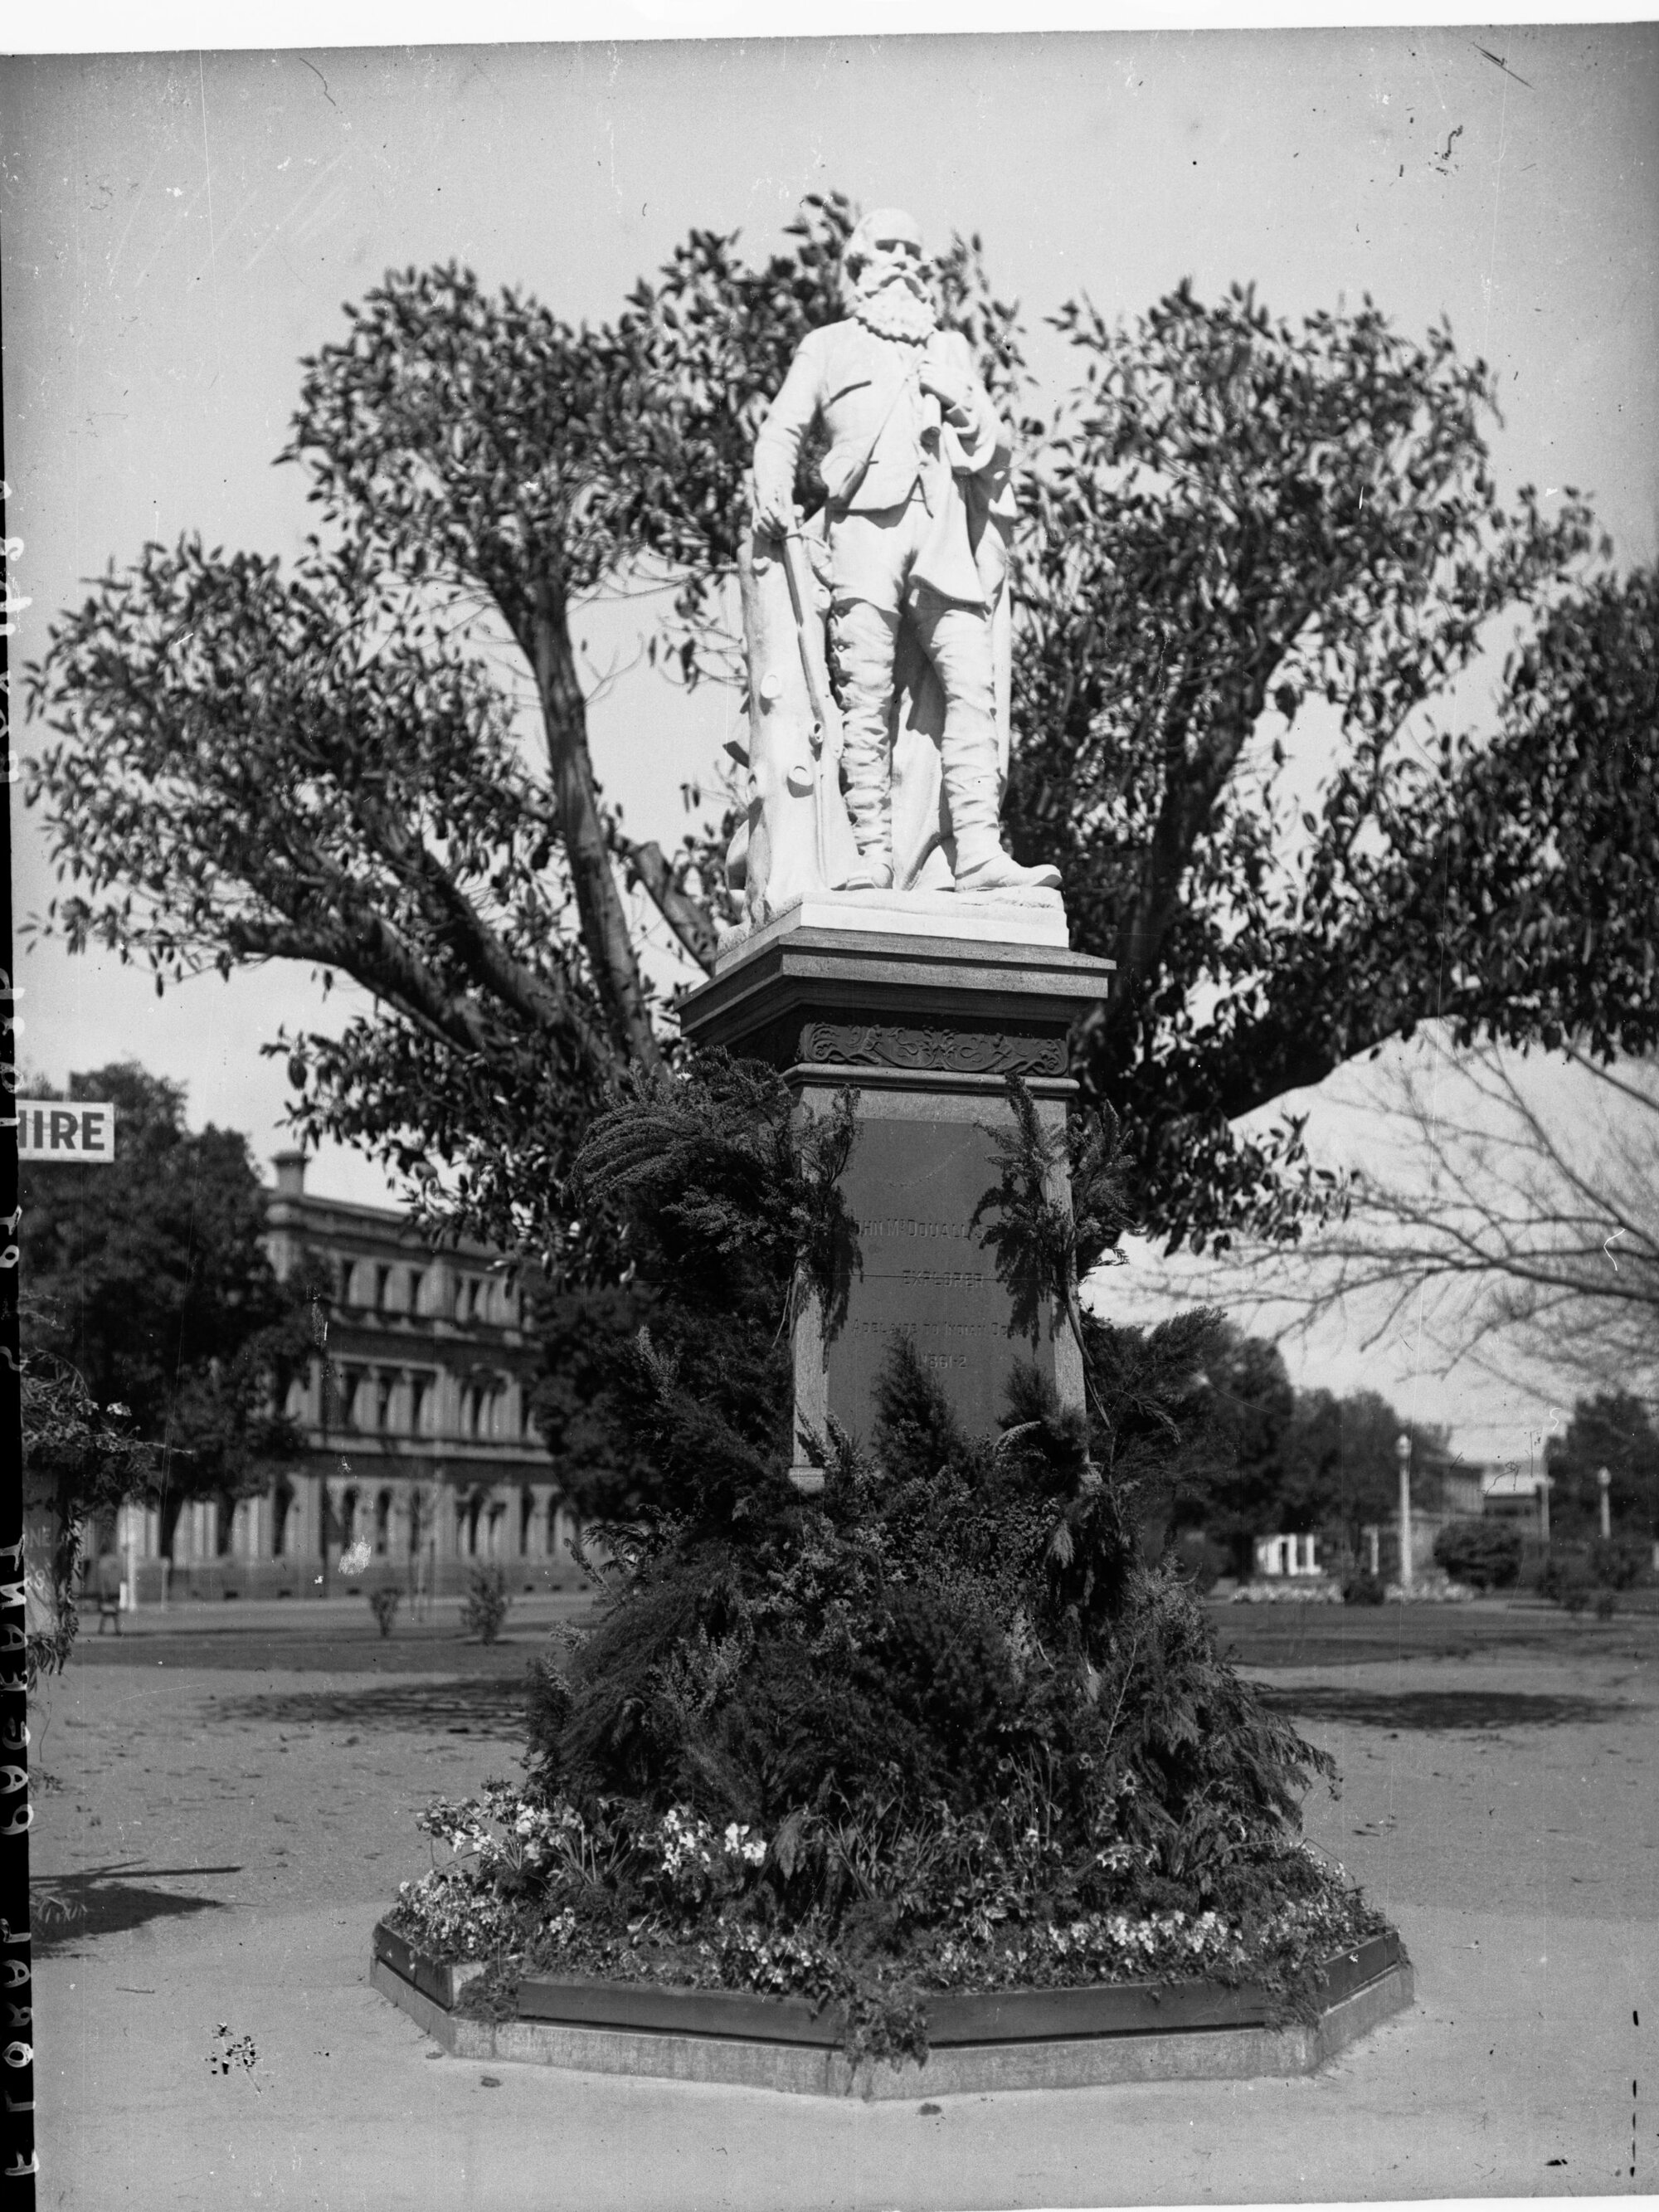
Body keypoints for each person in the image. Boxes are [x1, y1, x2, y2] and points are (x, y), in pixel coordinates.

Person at [752, 208, 1060, 896]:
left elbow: (998, 446)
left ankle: (978, 850)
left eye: (910, 251)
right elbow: (781, 431)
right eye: (884, 248)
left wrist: (963, 404)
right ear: (858, 266)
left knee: (973, 690)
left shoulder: (948, 349)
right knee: (865, 696)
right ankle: (872, 858)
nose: (900, 261)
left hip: (945, 530)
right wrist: (772, 482)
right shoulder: (827, 345)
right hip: (865, 529)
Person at [91, 1549, 123, 1635]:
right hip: (111, 1594)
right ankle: (109, 1630)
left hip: (111, 1594)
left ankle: (106, 1630)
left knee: (110, 1614)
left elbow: (106, 1584)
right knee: (109, 1614)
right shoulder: (109, 1573)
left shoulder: (108, 1572)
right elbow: (106, 1584)